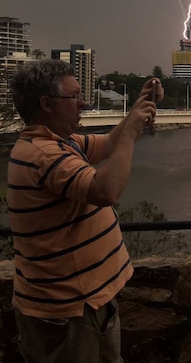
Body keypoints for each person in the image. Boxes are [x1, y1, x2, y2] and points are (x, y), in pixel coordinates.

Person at [7, 60, 162, 363]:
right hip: (67, 311)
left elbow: (107, 144)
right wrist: (131, 132)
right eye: (75, 96)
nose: (84, 103)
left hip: (87, 303)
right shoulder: (43, 154)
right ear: (46, 104)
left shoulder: (63, 143)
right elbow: (105, 191)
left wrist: (138, 109)